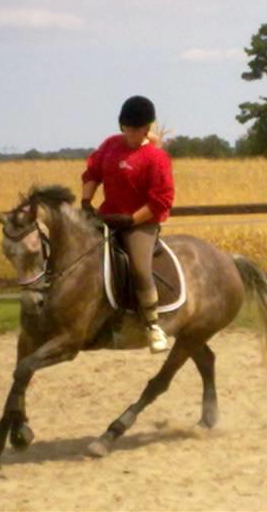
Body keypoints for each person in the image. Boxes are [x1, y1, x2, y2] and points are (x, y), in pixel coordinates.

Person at [81, 95, 175, 354]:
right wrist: (87, 200)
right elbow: (93, 172)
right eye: (127, 127)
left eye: (136, 128)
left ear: (147, 128)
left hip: (140, 223)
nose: (130, 133)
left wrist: (132, 219)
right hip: (108, 217)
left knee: (138, 265)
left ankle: (153, 325)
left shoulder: (156, 158)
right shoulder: (111, 145)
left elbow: (161, 200)